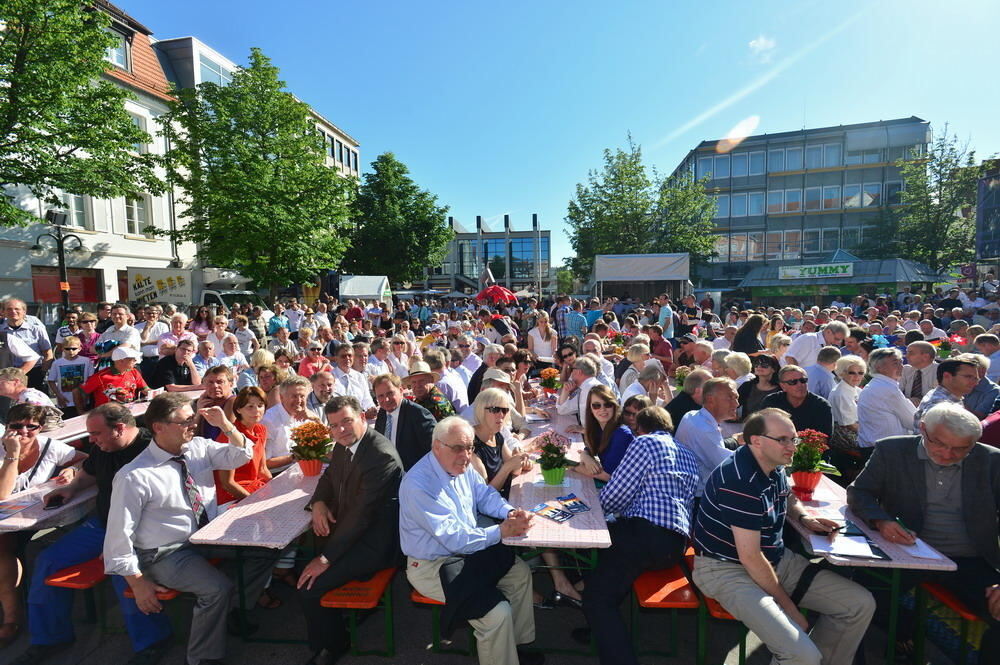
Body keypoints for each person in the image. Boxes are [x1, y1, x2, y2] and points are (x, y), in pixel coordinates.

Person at [103, 393, 279, 665]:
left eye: (192, 418)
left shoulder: (197, 447)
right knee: (217, 588)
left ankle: (232, 610)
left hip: (204, 536)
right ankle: (201, 658)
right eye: (185, 420)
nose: (193, 424)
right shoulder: (134, 475)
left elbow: (242, 454)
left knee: (265, 551)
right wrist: (137, 583)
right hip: (165, 552)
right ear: (159, 427)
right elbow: (118, 534)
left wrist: (226, 424)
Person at [692, 408, 876, 665]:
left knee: (859, 604)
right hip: (726, 570)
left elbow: (787, 495)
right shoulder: (740, 481)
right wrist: (789, 608)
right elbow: (750, 558)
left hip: (773, 561)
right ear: (756, 440)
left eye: (794, 439)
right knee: (801, 654)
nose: (791, 446)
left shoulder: (771, 463)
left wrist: (803, 518)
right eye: (783, 440)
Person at [14, 404, 171, 665]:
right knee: (47, 561)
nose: (91, 441)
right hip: (103, 525)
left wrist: (117, 544)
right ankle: (50, 638)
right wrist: (72, 488)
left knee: (124, 573)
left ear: (120, 428)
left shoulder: (153, 448)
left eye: (96, 434)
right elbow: (89, 471)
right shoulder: (104, 446)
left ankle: (152, 641)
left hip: (143, 529)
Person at [847, 402, 1000, 659]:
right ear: (922, 429)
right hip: (909, 550)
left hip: (970, 559)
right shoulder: (892, 450)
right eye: (939, 443)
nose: (948, 454)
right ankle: (901, 632)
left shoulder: (992, 460)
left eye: (961, 449)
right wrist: (881, 521)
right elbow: (859, 493)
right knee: (858, 597)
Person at [399, 416, 540, 665]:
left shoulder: (459, 465)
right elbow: (453, 538)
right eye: (458, 448)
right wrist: (501, 531)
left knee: (520, 574)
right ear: (436, 447)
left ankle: (514, 649)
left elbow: (485, 495)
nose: (465, 455)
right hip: (433, 565)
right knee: (496, 614)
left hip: (467, 551)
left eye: (469, 447)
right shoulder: (418, 484)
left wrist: (508, 513)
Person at [580, 406, 698, 665]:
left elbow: (617, 494)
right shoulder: (687, 453)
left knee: (597, 599)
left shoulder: (644, 443)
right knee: (608, 573)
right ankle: (599, 630)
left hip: (644, 535)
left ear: (638, 428)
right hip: (674, 545)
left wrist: (584, 510)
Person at [296, 396, 404, 664]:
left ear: (362, 418)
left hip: (375, 545)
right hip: (353, 533)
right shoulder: (347, 444)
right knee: (303, 556)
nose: (340, 430)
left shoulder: (380, 456)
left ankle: (333, 645)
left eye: (346, 421)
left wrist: (325, 559)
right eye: (334, 425)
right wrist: (319, 503)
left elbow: (361, 516)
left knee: (310, 585)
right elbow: (329, 477)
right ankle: (337, 619)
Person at [0, 404, 86, 646]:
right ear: (7, 428)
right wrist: (12, 453)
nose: (24, 431)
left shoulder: (50, 446)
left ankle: (16, 615)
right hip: (7, 519)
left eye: (32, 426)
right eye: (17, 426)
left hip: (38, 514)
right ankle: (12, 617)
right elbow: (3, 493)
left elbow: (85, 460)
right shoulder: (2, 449)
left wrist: (71, 469)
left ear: (40, 428)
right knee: (2, 545)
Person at [675, 377, 739, 496]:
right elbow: (726, 465)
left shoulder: (692, 415)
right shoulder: (704, 428)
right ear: (710, 399)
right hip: (698, 497)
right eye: (730, 397)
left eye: (736, 398)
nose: (736, 403)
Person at [213, 387, 271, 506]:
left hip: (255, 489)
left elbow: (262, 469)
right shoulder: (229, 436)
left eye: (260, 405)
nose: (256, 411)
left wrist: (276, 489)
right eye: (250, 406)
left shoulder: (261, 430)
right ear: (239, 409)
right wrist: (252, 502)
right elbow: (227, 483)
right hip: (232, 497)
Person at [469, 388, 529, 497]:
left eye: (505, 410)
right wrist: (507, 467)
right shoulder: (470, 445)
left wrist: (518, 459)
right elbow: (484, 496)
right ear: (481, 410)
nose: (501, 415)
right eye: (495, 409)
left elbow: (515, 471)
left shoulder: (497, 435)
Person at [372, 373, 435, 470]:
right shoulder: (382, 413)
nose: (386, 399)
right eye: (380, 396)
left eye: (390, 393)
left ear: (401, 390)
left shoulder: (418, 414)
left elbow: (434, 450)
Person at [857, 347, 917, 448]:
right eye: (895, 363)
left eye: (901, 362)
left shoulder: (878, 384)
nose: (901, 367)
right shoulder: (886, 388)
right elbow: (913, 421)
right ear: (879, 367)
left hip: (878, 447)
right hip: (884, 450)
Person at [577, 384, 636, 483]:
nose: (602, 409)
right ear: (590, 409)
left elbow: (609, 476)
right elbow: (589, 450)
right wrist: (585, 457)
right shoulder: (598, 427)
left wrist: (572, 466)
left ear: (614, 406)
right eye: (596, 405)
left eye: (607, 404)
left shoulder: (621, 434)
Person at [262, 375, 316, 470]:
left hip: (302, 468)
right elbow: (264, 463)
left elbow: (324, 443)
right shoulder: (269, 421)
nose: (299, 401)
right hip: (277, 474)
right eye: (294, 396)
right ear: (282, 397)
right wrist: (295, 457)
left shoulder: (308, 415)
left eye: (302, 396)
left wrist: (317, 420)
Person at [75, 346, 148, 412]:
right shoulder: (101, 376)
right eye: (133, 359)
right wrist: (81, 412)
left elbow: (146, 390)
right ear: (121, 361)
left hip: (128, 412)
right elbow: (77, 391)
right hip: (106, 416)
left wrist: (155, 393)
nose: (135, 361)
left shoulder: (134, 372)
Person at [913, 357, 980, 429]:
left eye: (976, 379)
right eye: (968, 377)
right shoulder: (939, 405)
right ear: (947, 376)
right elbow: (934, 438)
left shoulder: (947, 397)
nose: (975, 383)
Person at [828, 356, 866, 464]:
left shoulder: (856, 390)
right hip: (844, 433)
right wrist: (871, 433)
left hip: (857, 429)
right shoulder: (841, 393)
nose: (857, 376)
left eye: (860, 373)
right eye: (852, 373)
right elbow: (849, 424)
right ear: (842, 373)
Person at [45, 335, 93, 419]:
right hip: (65, 401)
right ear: (62, 349)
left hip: (83, 400)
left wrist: (86, 395)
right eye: (67, 349)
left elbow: (90, 379)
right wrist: (59, 395)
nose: (71, 351)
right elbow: (51, 380)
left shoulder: (86, 361)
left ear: (79, 348)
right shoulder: (57, 363)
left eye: (74, 348)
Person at [329, 344, 376, 417]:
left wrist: (372, 409)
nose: (347, 358)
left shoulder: (360, 377)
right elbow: (336, 405)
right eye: (343, 356)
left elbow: (367, 400)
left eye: (350, 355)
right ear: (336, 359)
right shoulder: (330, 378)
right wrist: (362, 415)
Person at [556, 356, 602, 429]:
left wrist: (585, 430)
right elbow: (563, 411)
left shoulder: (593, 388)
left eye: (572, 370)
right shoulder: (584, 387)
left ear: (578, 371)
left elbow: (604, 418)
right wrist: (565, 391)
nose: (571, 373)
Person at [784, 320, 849, 368]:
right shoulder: (809, 339)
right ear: (828, 331)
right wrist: (799, 380)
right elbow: (790, 358)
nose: (838, 342)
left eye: (841, 340)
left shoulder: (828, 345)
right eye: (836, 339)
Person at [737, 354, 781, 419]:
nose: (759, 367)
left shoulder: (781, 389)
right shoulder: (747, 386)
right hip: (749, 425)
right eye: (756, 364)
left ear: (774, 369)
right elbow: (734, 403)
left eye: (764, 365)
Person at [899, 340, 938, 406]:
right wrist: (907, 400)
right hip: (908, 407)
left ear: (926, 357)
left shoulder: (940, 371)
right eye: (907, 352)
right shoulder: (905, 369)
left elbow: (942, 397)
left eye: (911, 353)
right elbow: (896, 391)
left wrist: (923, 402)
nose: (906, 356)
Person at [963, 353, 1000, 419]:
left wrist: (956, 400)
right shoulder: (959, 383)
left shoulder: (993, 390)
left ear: (982, 371)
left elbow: (979, 417)